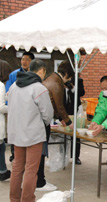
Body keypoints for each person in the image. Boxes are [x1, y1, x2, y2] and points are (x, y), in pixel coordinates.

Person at [7, 59, 54, 202]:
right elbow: (48, 114)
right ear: (42, 71)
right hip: (33, 135)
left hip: (16, 133)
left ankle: (14, 199)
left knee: (17, 168)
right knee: (31, 170)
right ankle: (27, 199)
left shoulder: (14, 86)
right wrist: (42, 123)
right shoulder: (39, 88)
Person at [36, 60, 74, 191]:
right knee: (40, 152)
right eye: (69, 77)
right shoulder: (57, 83)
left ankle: (38, 179)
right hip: (42, 121)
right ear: (67, 74)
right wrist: (68, 122)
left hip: (38, 120)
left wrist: (60, 118)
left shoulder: (50, 78)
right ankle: (39, 182)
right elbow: (59, 106)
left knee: (37, 152)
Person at [6, 51, 35, 162]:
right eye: (23, 59)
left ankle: (26, 153)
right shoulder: (14, 74)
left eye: (27, 59)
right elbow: (8, 92)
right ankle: (14, 154)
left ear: (32, 61)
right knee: (15, 130)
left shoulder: (35, 74)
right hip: (16, 108)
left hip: (29, 109)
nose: (24, 61)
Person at [64, 76, 85, 165]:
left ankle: (76, 156)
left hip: (75, 109)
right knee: (63, 133)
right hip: (64, 109)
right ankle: (63, 156)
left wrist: (73, 88)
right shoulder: (61, 80)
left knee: (76, 134)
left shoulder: (78, 80)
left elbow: (82, 92)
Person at [0, 60, 12, 181]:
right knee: (1, 146)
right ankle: (3, 171)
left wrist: (8, 96)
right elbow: (1, 106)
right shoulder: (1, 85)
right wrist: (13, 108)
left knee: (2, 147)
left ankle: (3, 171)